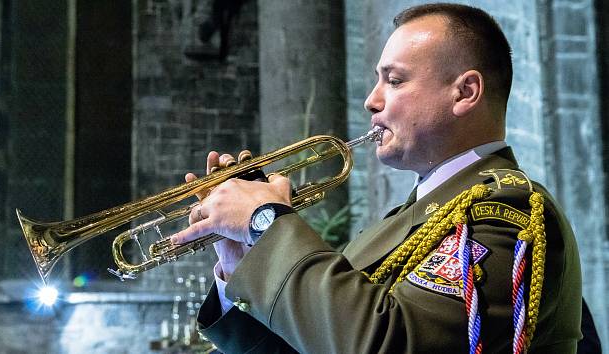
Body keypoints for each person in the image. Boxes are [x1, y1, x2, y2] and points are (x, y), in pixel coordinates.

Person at [171, 3, 583, 353]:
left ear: (465, 92)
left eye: (395, 80)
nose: (372, 100)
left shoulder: (507, 213)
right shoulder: (399, 222)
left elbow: (388, 343)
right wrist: (241, 259)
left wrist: (267, 223)